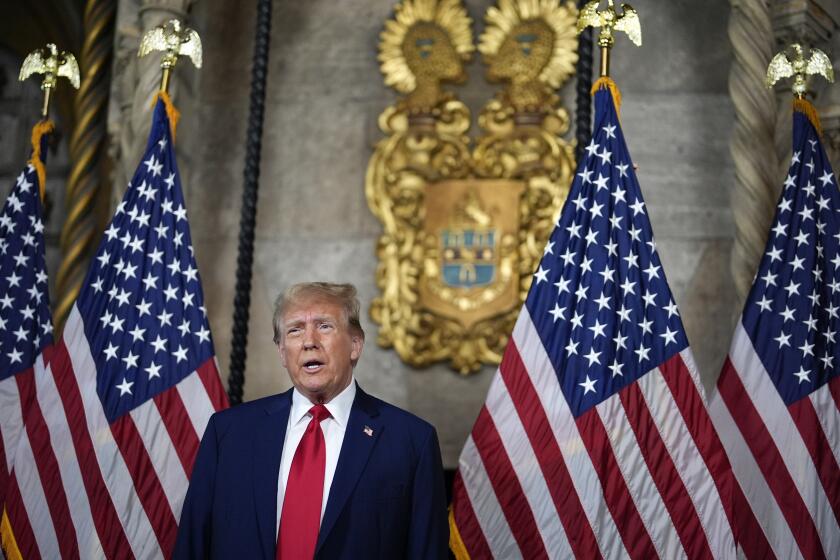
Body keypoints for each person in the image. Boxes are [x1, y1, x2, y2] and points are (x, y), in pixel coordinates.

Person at [173, 282, 449, 559]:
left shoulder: (411, 440)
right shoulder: (229, 433)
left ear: (355, 344)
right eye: (295, 330)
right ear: (282, 352)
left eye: (324, 326)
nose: (309, 341)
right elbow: (193, 545)